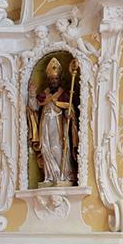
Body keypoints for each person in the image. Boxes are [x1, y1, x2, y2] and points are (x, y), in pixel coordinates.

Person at [28, 56, 77, 185]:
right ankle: (49, 177)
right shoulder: (43, 95)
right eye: (51, 79)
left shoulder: (65, 95)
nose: (53, 81)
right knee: (45, 149)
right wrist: (32, 94)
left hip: (58, 125)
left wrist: (68, 113)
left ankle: (64, 175)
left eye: (55, 79)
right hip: (44, 126)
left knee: (57, 148)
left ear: (59, 80)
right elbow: (33, 107)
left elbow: (70, 109)